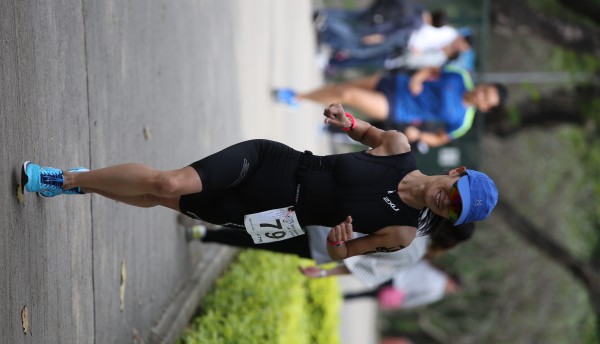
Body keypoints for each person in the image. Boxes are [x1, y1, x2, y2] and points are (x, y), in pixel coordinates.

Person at [21, 103, 497, 260]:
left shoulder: (402, 233)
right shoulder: (396, 146)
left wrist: (339, 241)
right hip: (273, 164)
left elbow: (341, 254)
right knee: (168, 183)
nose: (447, 202)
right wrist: (347, 121)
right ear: (456, 173)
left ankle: (85, 184)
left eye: (455, 210)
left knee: (158, 198)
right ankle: (64, 177)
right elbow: (368, 131)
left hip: (272, 218)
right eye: (456, 194)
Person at [187, 218, 475, 287]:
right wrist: (323, 273)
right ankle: (206, 234)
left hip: (329, 216)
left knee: (271, 217)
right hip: (326, 247)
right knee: (264, 239)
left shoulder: (415, 214)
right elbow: (365, 268)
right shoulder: (414, 254)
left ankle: (210, 217)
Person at [274, 66, 508, 147]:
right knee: (345, 87)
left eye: (486, 99)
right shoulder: (460, 77)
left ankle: (298, 97)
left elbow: (440, 138)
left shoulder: (462, 121)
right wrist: (418, 78)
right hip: (397, 83)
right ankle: (301, 96)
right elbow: (433, 70)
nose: (481, 95)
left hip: (397, 107)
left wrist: (420, 135)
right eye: (485, 90)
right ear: (484, 85)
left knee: (347, 95)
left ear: (485, 108)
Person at [343, 259, 462, 310]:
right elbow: (417, 299)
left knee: (363, 273)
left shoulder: (436, 268)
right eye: (454, 289)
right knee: (367, 294)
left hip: (395, 272)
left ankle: (342, 268)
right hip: (398, 286)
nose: (452, 291)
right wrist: (402, 304)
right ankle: (346, 297)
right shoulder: (437, 292)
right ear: (453, 282)